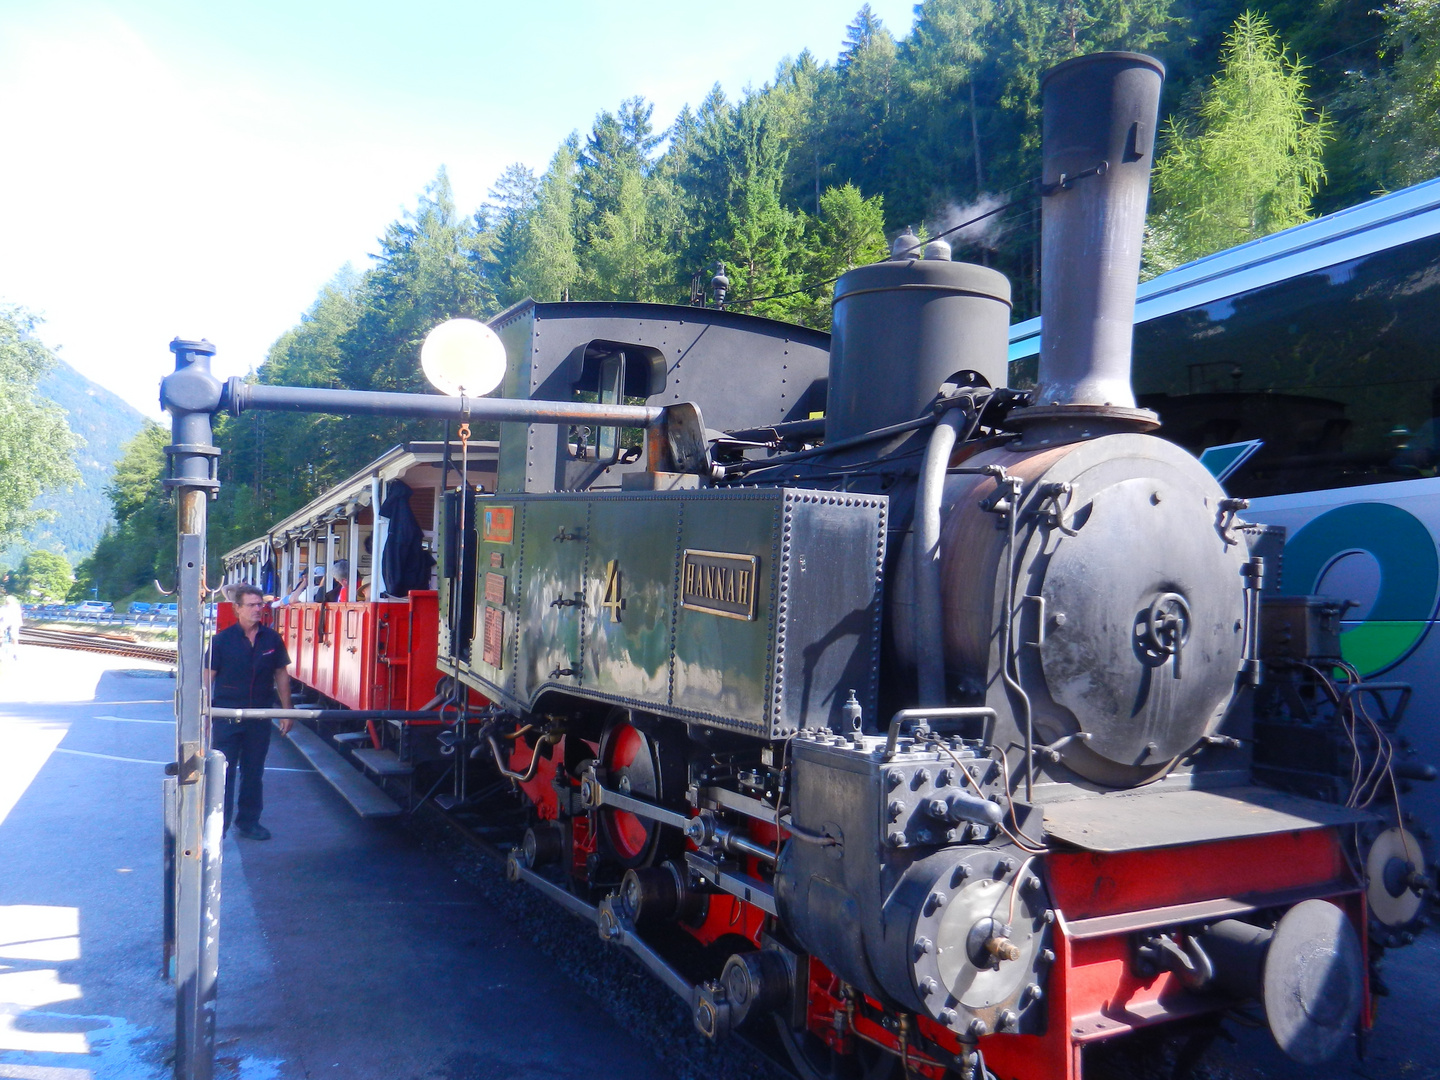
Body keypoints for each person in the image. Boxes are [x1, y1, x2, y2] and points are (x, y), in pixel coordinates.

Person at [205, 582, 293, 840]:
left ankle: (249, 821)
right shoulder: (222, 641)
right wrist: (203, 714)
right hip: (227, 715)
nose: (258, 609)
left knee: (254, 771)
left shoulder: (272, 639)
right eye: (252, 605)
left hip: (260, 716)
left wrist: (288, 711)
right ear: (237, 608)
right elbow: (206, 679)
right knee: (224, 771)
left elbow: (281, 675)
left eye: (260, 604)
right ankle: (217, 825)